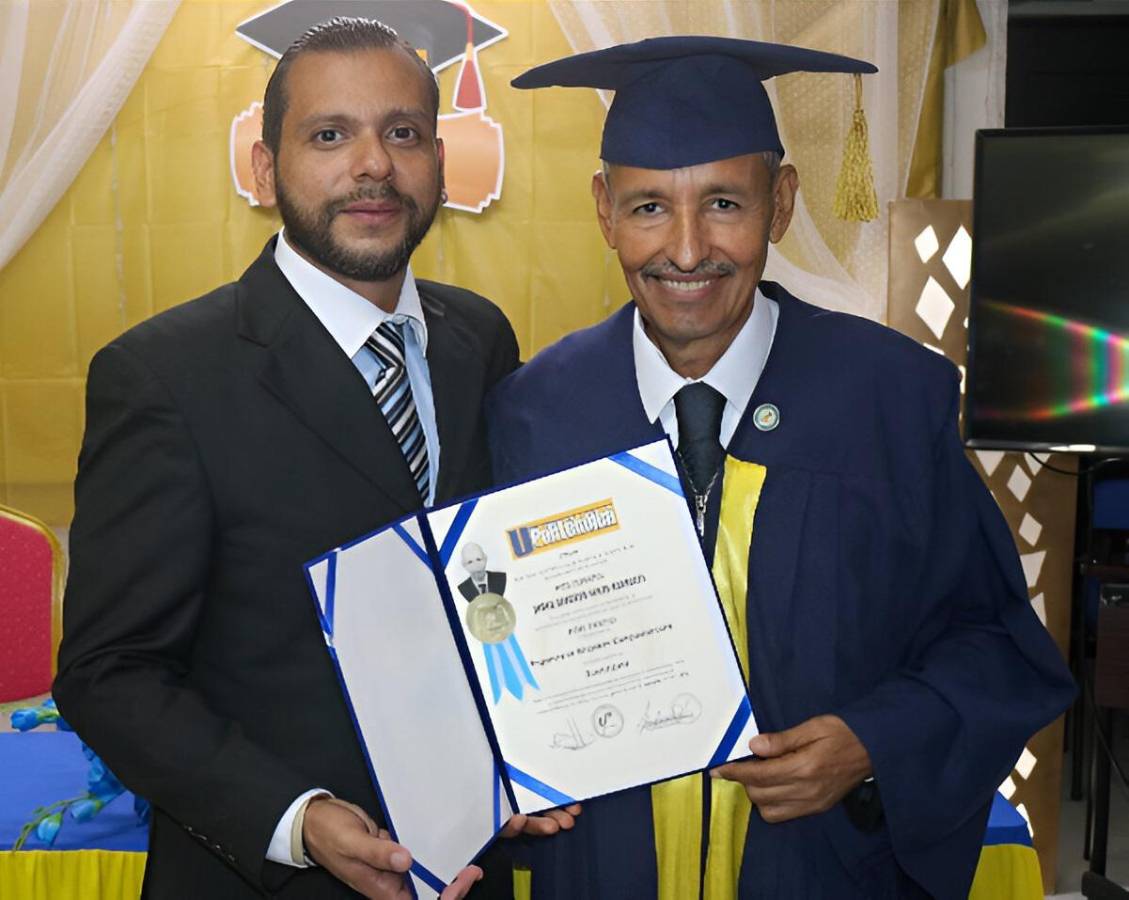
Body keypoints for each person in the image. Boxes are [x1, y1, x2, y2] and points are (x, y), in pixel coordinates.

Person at [489, 36, 1075, 899]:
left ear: (783, 200)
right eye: (650, 207)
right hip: (599, 869)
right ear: (604, 209)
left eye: (723, 201)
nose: (686, 250)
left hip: (821, 868)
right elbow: (486, 647)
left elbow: (994, 647)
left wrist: (872, 740)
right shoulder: (535, 412)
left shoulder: (890, 400)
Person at [53, 17, 518, 900]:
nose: (373, 164)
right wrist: (294, 818)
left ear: (440, 163)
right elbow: (107, 673)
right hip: (269, 877)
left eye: (403, 132)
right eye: (329, 134)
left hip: (471, 861)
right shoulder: (163, 376)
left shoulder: (478, 339)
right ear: (265, 169)